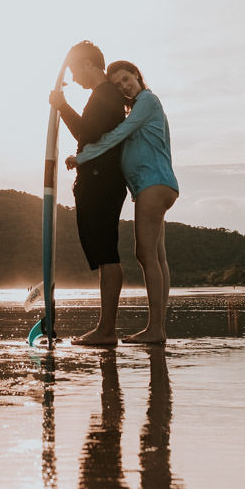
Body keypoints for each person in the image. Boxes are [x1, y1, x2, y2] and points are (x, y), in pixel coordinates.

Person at [66, 60, 178, 344]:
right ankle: (158, 328)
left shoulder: (147, 101)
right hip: (157, 183)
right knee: (158, 256)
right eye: (118, 84)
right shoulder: (140, 106)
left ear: (137, 76)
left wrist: (82, 157)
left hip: (153, 185)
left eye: (127, 79)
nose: (124, 86)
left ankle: (156, 329)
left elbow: (117, 135)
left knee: (145, 255)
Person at [49, 41, 129, 346]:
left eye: (74, 69)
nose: (74, 76)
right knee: (103, 253)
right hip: (98, 180)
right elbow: (89, 133)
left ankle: (106, 330)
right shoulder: (103, 95)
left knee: (107, 253)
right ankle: (105, 328)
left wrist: (62, 105)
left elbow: (87, 132)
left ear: (89, 64)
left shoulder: (105, 93)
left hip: (102, 181)